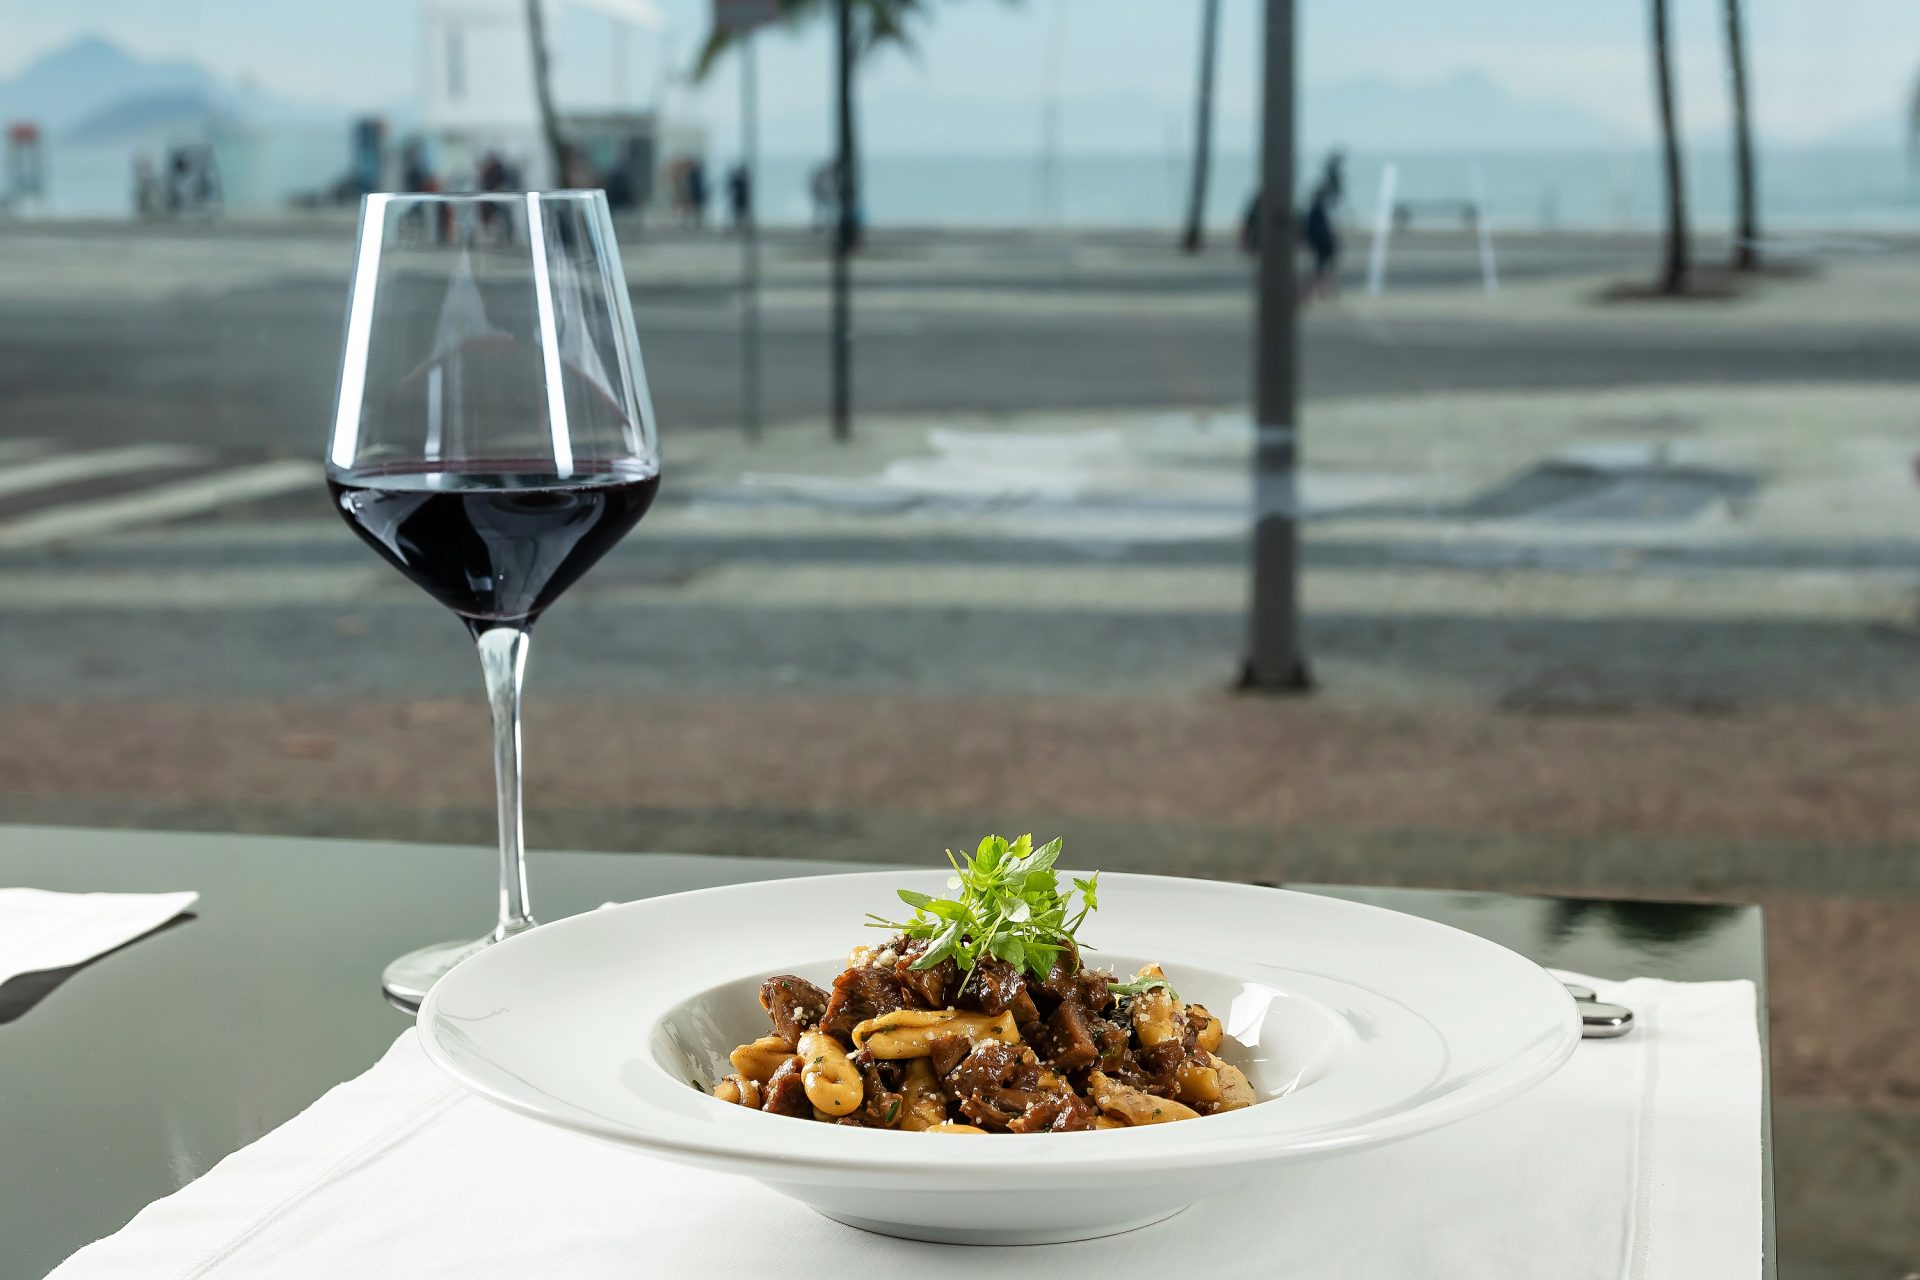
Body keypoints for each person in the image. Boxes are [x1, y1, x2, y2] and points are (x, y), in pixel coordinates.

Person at [1300, 150, 1345, 300]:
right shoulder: (1317, 211)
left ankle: (1322, 289)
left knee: (1321, 267)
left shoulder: (1317, 210)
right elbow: (1317, 229)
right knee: (1322, 268)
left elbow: (1313, 228)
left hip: (1322, 243)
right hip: (1322, 243)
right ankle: (1320, 289)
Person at [727, 164, 752, 229]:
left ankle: (742, 225)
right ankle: (739, 225)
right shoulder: (740, 180)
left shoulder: (744, 180)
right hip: (739, 199)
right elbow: (732, 187)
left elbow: (732, 188)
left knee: (741, 213)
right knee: (738, 213)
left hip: (742, 199)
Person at [686, 159, 709, 229]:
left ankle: (697, 221)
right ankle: (690, 221)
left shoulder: (697, 175)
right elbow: (692, 185)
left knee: (697, 208)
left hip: (697, 193)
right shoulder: (693, 175)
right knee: (692, 208)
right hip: (694, 193)